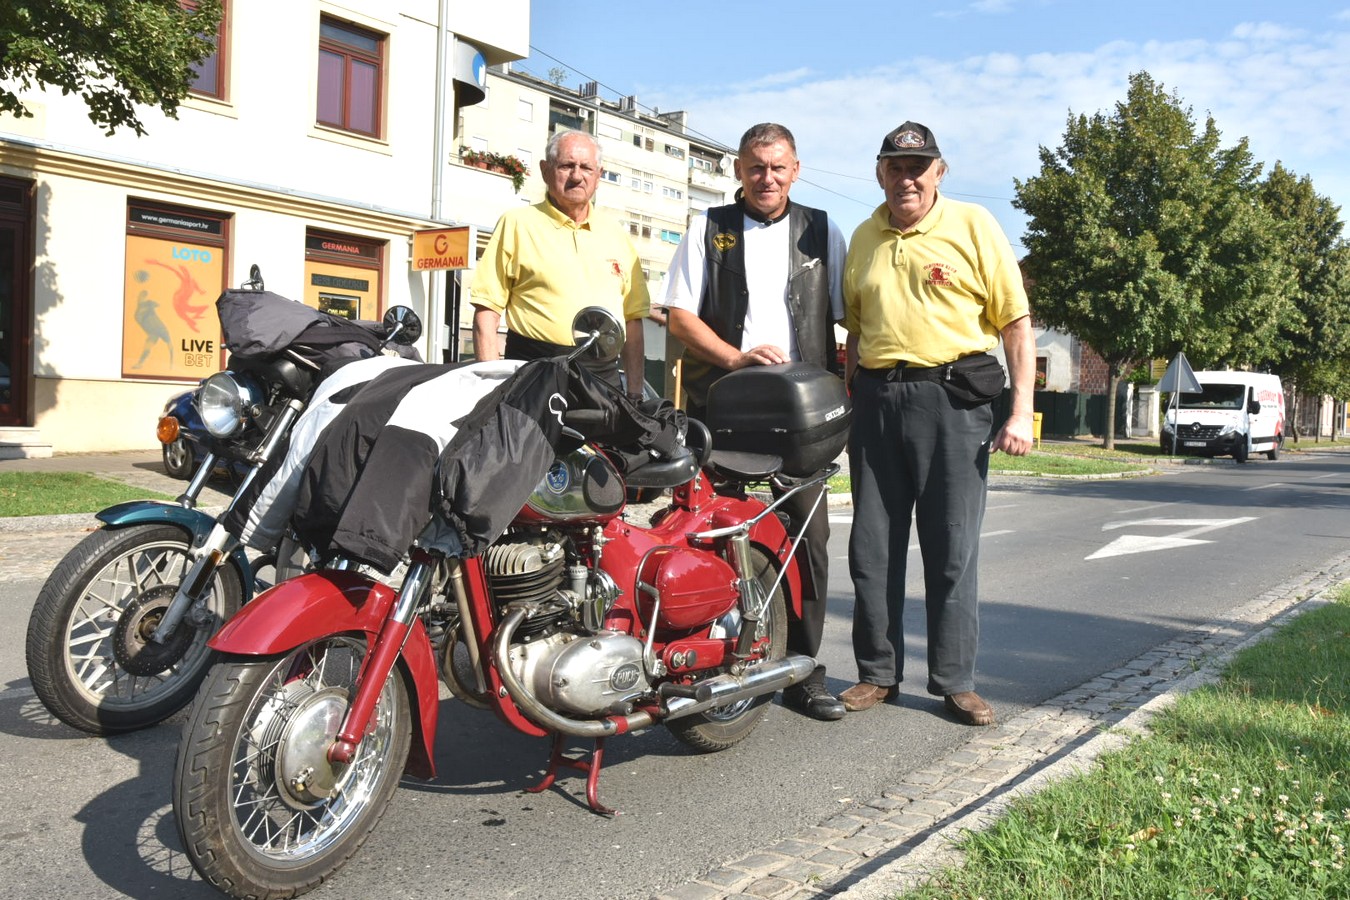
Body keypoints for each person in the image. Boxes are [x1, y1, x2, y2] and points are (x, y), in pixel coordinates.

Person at [840, 121, 1035, 726]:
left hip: (953, 403)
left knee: (952, 547)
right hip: (876, 401)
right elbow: (853, 329)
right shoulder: (863, 237)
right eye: (896, 167)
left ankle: (955, 681)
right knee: (872, 547)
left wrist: (1021, 409)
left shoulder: (973, 225)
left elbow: (1015, 323)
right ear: (880, 172)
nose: (907, 178)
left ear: (939, 173)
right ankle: (877, 673)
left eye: (918, 167)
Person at [663, 123, 849, 721]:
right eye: (755, 167)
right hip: (721, 409)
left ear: (796, 169)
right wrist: (736, 359)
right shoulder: (706, 229)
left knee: (807, 539)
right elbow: (678, 318)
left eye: (778, 167)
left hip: (799, 418)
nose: (767, 178)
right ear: (737, 170)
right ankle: (706, 659)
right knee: (709, 535)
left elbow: (851, 317)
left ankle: (803, 668)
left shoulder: (822, 230)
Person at [470, 130, 649, 394]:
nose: (577, 176)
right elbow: (487, 311)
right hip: (533, 376)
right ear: (545, 170)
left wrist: (634, 395)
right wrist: (492, 391)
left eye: (586, 167)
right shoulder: (517, 224)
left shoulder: (616, 235)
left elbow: (633, 322)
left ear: (598, 176)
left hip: (601, 381)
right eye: (566, 166)